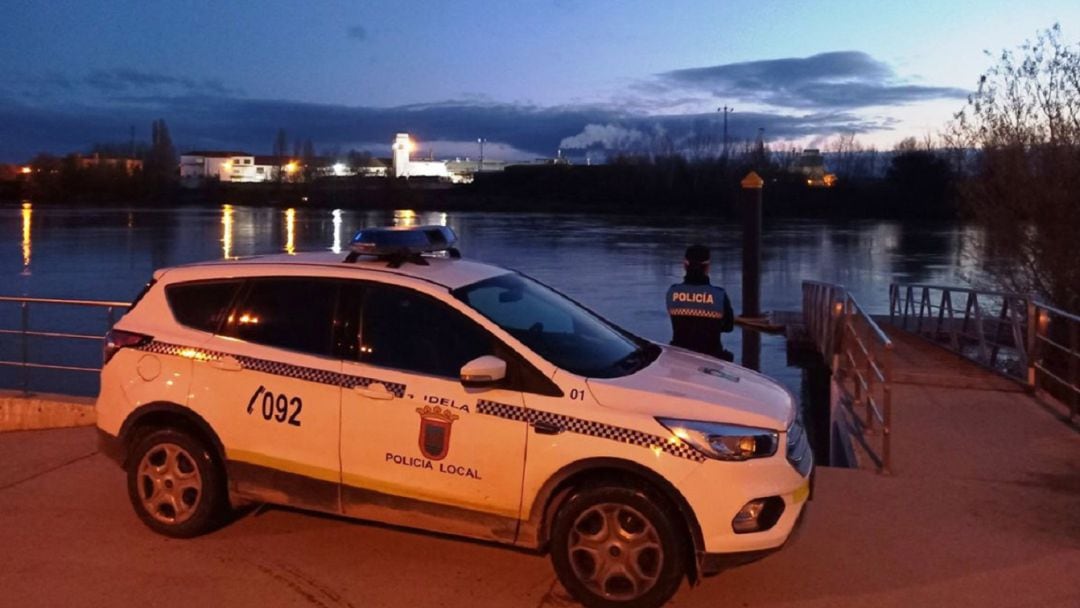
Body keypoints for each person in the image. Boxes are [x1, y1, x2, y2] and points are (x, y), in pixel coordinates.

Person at [666, 244, 734, 361]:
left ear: (685, 265)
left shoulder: (673, 292)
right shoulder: (719, 295)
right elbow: (728, 327)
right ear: (707, 267)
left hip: (679, 358)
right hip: (712, 359)